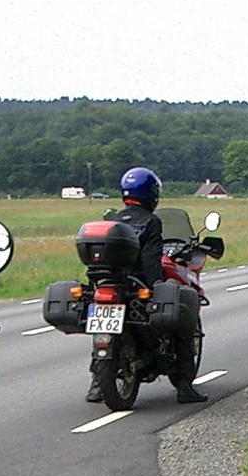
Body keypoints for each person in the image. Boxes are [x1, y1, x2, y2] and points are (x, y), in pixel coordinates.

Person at [87, 166, 207, 404]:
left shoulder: (114, 222)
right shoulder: (151, 221)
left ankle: (97, 385)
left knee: (102, 323)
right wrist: (156, 287)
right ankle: (184, 386)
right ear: (151, 193)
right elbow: (151, 257)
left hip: (110, 284)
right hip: (137, 286)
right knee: (181, 322)